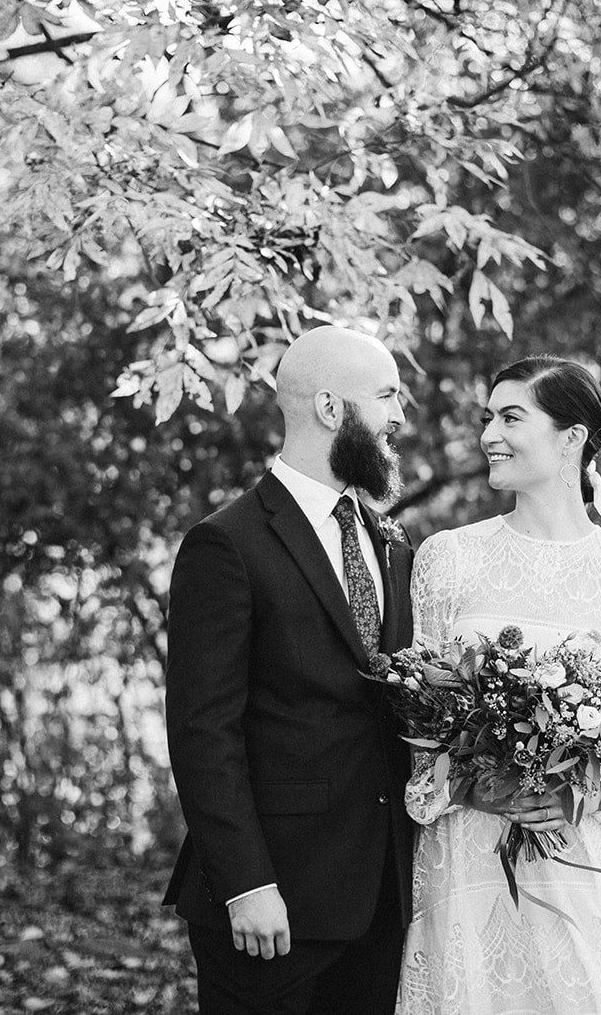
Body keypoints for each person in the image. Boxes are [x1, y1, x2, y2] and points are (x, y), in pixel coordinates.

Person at [397, 355, 601, 1015]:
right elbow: (417, 722)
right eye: (487, 417)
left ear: (573, 437)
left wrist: (585, 795)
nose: (489, 433)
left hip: (579, 868)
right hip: (467, 862)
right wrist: (479, 780)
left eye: (511, 417)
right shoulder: (447, 557)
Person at [164, 325, 416, 1014]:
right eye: (387, 395)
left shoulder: (391, 542)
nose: (399, 416)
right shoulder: (226, 543)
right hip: (270, 907)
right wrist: (246, 884)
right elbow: (201, 729)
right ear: (332, 408)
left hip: (381, 899)